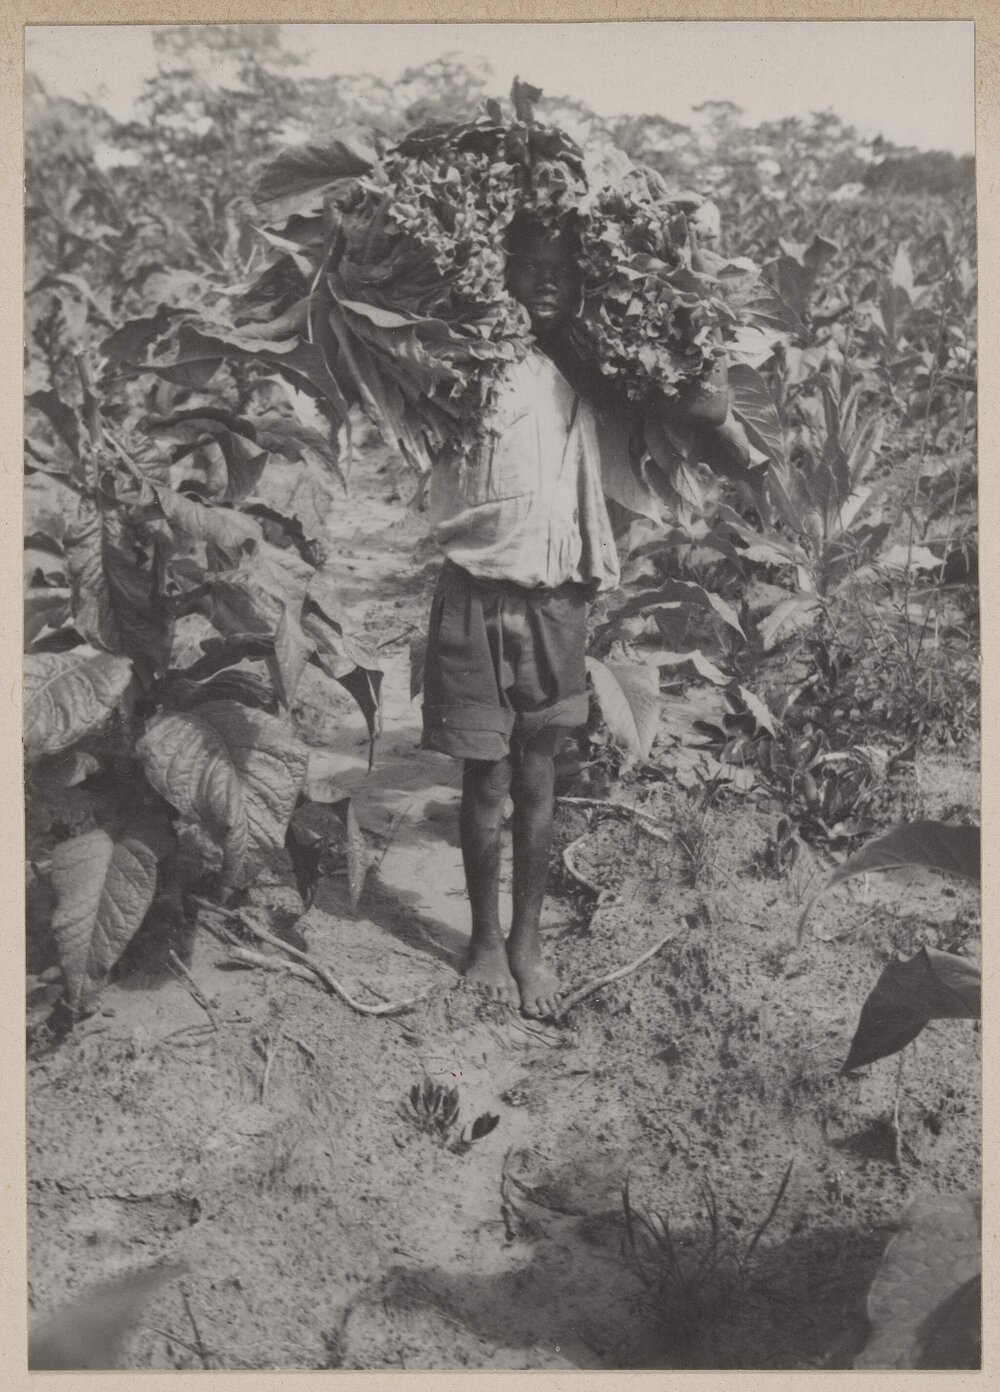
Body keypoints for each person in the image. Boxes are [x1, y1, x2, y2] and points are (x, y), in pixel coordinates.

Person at [420, 213, 732, 1020]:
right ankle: (485, 941)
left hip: (558, 597)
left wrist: (678, 317)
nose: (544, 282)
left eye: (561, 269)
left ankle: (529, 941)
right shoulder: (472, 359)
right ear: (502, 275)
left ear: (586, 281)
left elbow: (710, 399)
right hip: (476, 591)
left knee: (536, 773)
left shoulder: (595, 372)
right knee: (483, 777)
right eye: (527, 267)